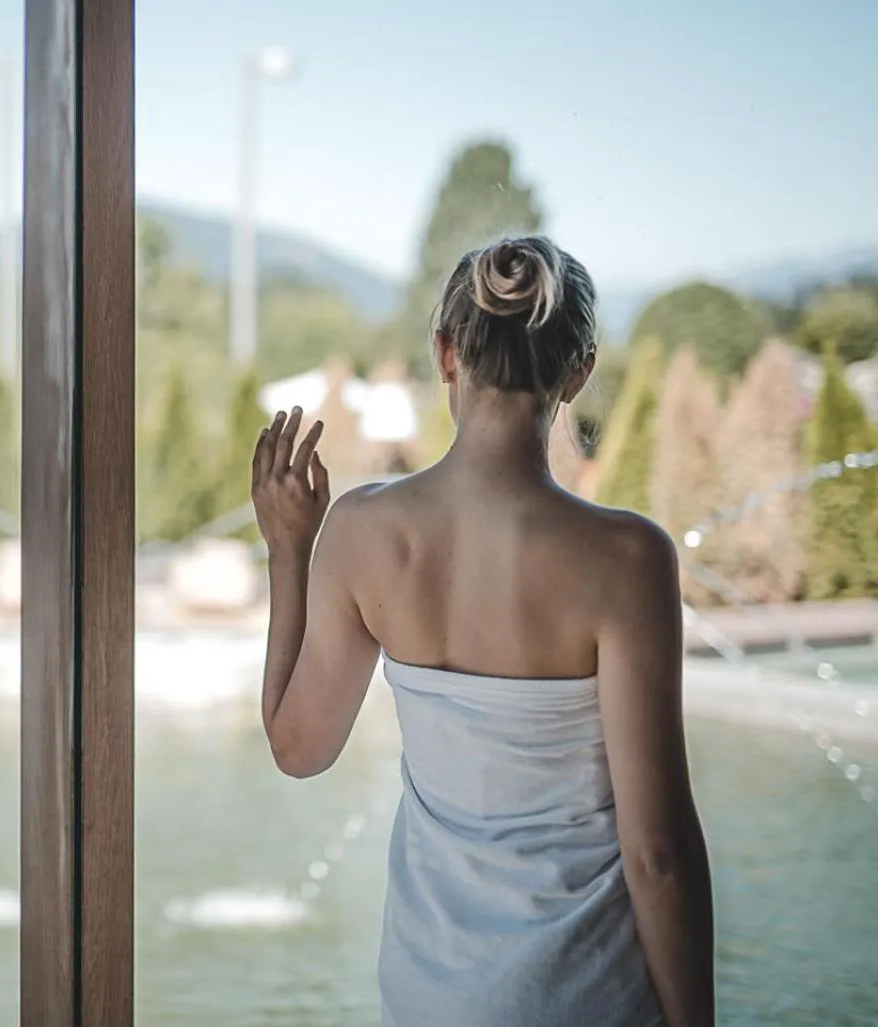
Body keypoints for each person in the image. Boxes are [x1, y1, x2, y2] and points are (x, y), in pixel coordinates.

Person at [251, 236, 714, 1027]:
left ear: (444, 354)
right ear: (579, 371)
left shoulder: (363, 533)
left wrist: (290, 550)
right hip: (589, 998)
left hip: (434, 999)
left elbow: (299, 749)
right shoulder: (628, 559)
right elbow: (657, 851)